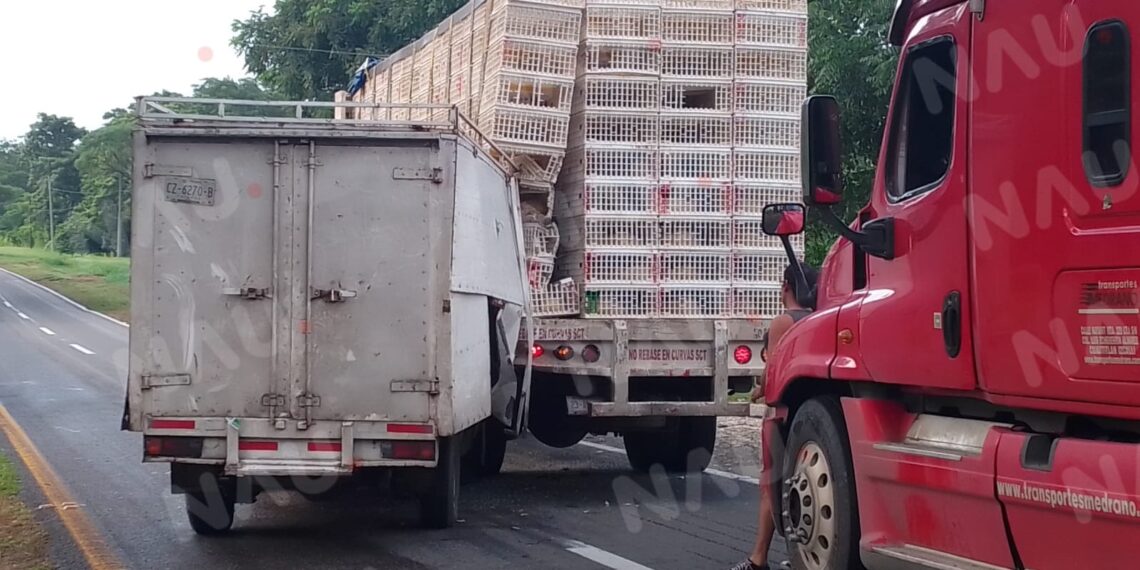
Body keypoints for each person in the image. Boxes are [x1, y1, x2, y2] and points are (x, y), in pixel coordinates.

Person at [733, 263, 820, 570]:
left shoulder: (783, 322)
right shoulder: (816, 320)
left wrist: (756, 392)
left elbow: (774, 375)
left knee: (771, 484)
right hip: (807, 419)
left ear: (785, 286)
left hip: (780, 413)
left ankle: (758, 557)